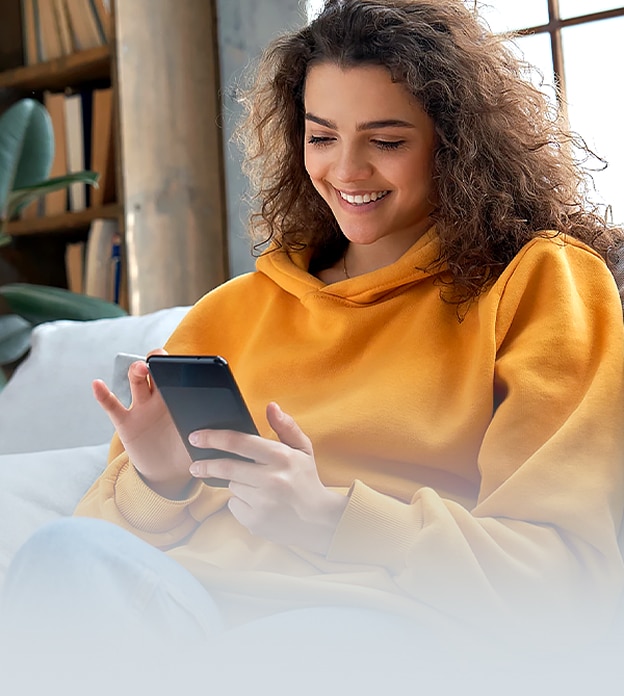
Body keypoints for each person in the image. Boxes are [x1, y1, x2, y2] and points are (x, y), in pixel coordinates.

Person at [3, 0, 624, 653]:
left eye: (386, 141)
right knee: (62, 552)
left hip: (370, 621)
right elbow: (97, 555)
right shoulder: (231, 311)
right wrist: (161, 479)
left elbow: (560, 574)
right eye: (322, 137)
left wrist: (329, 516)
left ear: (456, 144)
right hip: (187, 610)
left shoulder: (539, 281)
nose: (347, 171)